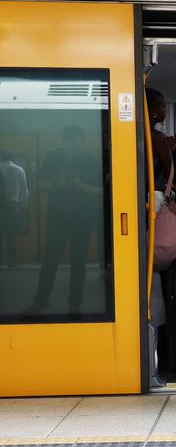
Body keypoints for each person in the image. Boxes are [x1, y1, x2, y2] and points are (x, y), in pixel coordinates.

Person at [25, 125, 102, 316]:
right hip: (57, 218)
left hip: (83, 220)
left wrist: (80, 186)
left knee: (79, 263)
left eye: (75, 147)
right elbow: (41, 185)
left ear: (82, 144)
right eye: (68, 146)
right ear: (63, 143)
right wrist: (57, 184)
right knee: (50, 261)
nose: (71, 150)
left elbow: (102, 191)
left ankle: (74, 304)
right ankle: (40, 301)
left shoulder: (91, 161)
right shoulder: (53, 157)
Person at [0, 150, 28, 268]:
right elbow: (24, 191)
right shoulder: (19, 169)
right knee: (10, 235)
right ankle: (12, 261)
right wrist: (23, 207)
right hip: (13, 205)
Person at [145, 88, 173, 193]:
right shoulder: (158, 138)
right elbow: (169, 173)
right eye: (163, 106)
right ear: (154, 110)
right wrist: (169, 149)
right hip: (153, 195)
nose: (165, 110)